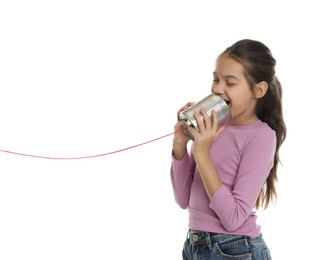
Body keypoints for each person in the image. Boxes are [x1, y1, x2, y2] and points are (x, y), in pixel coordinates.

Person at [170, 39, 286, 260]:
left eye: (230, 83)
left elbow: (233, 218)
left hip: (234, 249)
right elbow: (183, 199)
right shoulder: (213, 128)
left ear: (258, 90)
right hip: (196, 244)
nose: (217, 88)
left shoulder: (261, 137)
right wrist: (180, 146)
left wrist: (202, 154)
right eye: (216, 79)